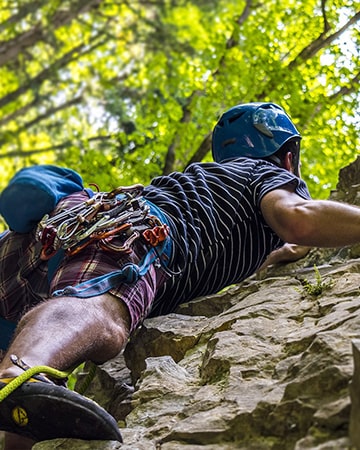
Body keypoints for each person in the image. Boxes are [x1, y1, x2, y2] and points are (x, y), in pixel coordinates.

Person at [0, 102, 360, 449]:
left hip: (52, 233)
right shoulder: (267, 175)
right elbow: (298, 219)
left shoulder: (208, 187)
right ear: (287, 157)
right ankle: (19, 372)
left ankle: (17, 398)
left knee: (26, 391)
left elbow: (280, 248)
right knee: (104, 318)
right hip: (135, 233)